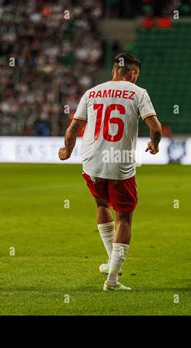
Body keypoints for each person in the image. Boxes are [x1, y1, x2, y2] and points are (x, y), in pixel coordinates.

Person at [58, 52, 162, 291]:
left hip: (91, 161)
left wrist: (66, 150)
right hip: (119, 163)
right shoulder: (138, 93)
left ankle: (110, 260)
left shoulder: (91, 92)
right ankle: (113, 279)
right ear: (132, 73)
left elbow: (73, 128)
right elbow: (155, 127)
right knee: (124, 217)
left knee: (101, 205)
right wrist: (154, 144)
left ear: (114, 69)